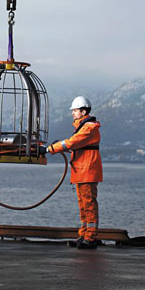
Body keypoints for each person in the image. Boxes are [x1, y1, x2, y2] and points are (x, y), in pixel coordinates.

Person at [47, 96, 103, 250]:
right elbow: (73, 142)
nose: (72, 113)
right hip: (82, 171)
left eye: (75, 110)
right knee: (83, 205)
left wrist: (48, 149)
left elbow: (71, 143)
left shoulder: (89, 128)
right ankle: (84, 235)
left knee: (89, 205)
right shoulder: (83, 127)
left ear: (83, 111)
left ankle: (90, 238)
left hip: (87, 172)